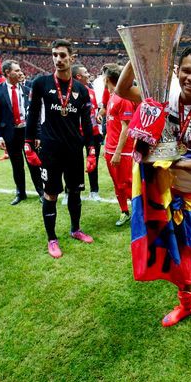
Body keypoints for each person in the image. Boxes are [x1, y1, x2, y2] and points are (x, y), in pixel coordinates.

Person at [116, 45, 191, 361]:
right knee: (175, 257)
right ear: (177, 70)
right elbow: (123, 89)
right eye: (186, 70)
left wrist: (173, 162)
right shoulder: (163, 98)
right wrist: (139, 51)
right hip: (165, 197)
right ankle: (185, 303)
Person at [25, 39, 97, 259]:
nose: (58, 59)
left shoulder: (81, 90)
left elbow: (87, 123)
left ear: (71, 58)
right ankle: (52, 239)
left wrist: (91, 150)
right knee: (51, 194)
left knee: (75, 191)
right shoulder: (41, 83)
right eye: (55, 55)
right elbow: (32, 115)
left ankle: (75, 229)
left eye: (63, 55)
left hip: (74, 149)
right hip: (51, 150)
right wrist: (28, 143)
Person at [0, 59, 44, 205]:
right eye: (17, 70)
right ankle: (21, 193)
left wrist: (37, 134)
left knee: (34, 163)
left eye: (20, 70)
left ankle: (41, 192)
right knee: (17, 165)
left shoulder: (27, 90)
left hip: (27, 133)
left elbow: (35, 115)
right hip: (10, 133)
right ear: (7, 72)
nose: (21, 73)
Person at [103, 64, 135, 226]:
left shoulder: (123, 99)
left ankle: (139, 213)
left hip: (122, 151)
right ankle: (124, 211)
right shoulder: (112, 97)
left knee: (128, 184)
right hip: (110, 149)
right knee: (117, 184)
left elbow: (126, 127)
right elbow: (112, 126)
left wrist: (117, 152)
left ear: (107, 79)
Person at [71, 63, 103, 201]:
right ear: (78, 76)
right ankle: (71, 191)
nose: (88, 74)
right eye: (86, 72)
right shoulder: (68, 93)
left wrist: (98, 119)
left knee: (93, 162)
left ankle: (94, 191)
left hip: (93, 133)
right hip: (76, 134)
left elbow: (94, 112)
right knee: (73, 164)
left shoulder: (91, 92)